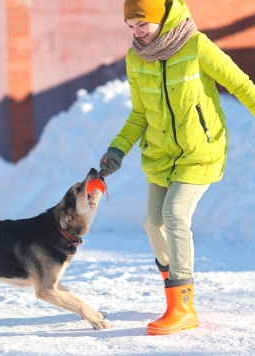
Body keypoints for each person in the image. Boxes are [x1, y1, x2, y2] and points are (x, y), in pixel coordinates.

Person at [99, 0, 255, 335]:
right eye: (131, 27)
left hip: (201, 152)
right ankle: (174, 287)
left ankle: (182, 307)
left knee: (174, 214)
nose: (137, 33)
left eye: (142, 24)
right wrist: (117, 149)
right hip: (161, 157)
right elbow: (140, 114)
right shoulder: (136, 58)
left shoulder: (196, 46)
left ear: (164, 17)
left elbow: (242, 85)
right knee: (153, 224)